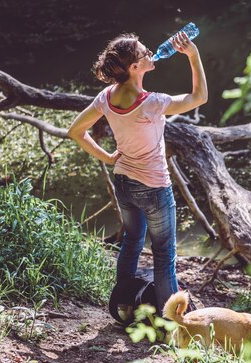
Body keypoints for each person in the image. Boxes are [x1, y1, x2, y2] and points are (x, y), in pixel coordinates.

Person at [67, 30, 207, 314]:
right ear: (134, 68)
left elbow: (75, 131)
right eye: (144, 53)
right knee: (164, 254)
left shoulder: (107, 97)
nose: (151, 53)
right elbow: (200, 96)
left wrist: (107, 157)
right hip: (155, 187)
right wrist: (193, 55)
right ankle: (172, 322)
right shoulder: (153, 103)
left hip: (124, 182)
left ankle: (125, 304)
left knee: (131, 241)